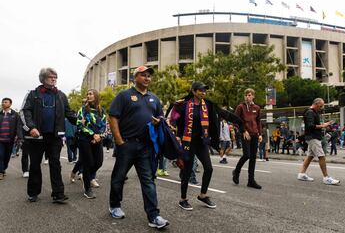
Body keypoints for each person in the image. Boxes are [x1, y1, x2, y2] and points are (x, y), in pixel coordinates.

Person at [108, 65, 169, 229]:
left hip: (146, 146)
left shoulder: (154, 98)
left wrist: (159, 121)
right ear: (135, 78)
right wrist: (119, 141)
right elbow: (113, 117)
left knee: (148, 181)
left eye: (149, 75)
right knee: (119, 177)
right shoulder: (124, 95)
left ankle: (154, 216)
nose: (147, 78)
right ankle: (114, 206)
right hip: (126, 144)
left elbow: (161, 117)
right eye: (143, 75)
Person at [171, 81, 244, 211]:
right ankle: (183, 199)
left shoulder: (209, 105)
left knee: (209, 168)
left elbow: (225, 113)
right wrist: (175, 111)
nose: (203, 92)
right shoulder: (184, 104)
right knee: (187, 171)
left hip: (202, 142)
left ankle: (203, 195)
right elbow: (173, 119)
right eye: (200, 90)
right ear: (193, 91)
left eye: (204, 90)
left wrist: (240, 123)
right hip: (188, 141)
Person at [20, 67, 77, 203]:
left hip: (55, 137)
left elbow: (69, 113)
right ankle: (33, 193)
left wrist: (80, 120)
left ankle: (58, 194)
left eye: (55, 77)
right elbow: (24, 112)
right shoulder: (32, 94)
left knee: (55, 164)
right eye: (51, 76)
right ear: (43, 78)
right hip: (36, 136)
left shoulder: (61, 95)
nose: (54, 79)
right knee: (34, 165)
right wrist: (31, 128)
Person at [297, 98, 340, 185]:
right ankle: (326, 178)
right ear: (316, 104)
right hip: (313, 137)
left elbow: (311, 125)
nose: (321, 108)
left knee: (310, 156)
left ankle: (301, 174)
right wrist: (323, 125)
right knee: (321, 156)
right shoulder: (310, 112)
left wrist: (324, 125)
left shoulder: (311, 112)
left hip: (312, 137)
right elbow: (310, 126)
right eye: (320, 106)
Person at [76, 89, 106, 199]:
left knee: (98, 162)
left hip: (98, 139)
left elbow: (104, 125)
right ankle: (87, 189)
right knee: (88, 162)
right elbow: (80, 124)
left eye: (91, 94)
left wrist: (99, 136)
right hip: (85, 139)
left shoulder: (101, 110)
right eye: (87, 94)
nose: (88, 95)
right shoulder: (83, 110)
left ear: (96, 96)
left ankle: (86, 176)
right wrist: (93, 134)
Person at [232, 88, 262, 189]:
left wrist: (260, 134)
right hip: (245, 134)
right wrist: (243, 131)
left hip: (254, 135)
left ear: (253, 96)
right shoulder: (240, 107)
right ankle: (236, 171)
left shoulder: (257, 108)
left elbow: (258, 122)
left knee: (253, 157)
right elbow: (235, 121)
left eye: (250, 95)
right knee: (247, 155)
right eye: (246, 95)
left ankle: (251, 180)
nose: (248, 97)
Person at [0, 97, 20, 180]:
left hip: (10, 139)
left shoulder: (15, 115)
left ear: (10, 104)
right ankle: (0, 172)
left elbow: (18, 126)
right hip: (0, 140)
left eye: (5, 102)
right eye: (3, 102)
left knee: (6, 156)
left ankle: (4, 168)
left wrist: (17, 136)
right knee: (0, 155)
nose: (3, 103)